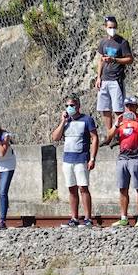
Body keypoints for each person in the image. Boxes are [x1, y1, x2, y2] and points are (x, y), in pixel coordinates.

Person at [51, 94, 99, 227]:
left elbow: (94, 138)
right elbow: (55, 137)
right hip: (67, 159)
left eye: (72, 105)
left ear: (78, 106)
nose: (69, 108)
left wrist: (93, 158)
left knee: (83, 188)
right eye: (67, 106)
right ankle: (74, 218)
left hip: (81, 159)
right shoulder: (66, 122)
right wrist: (62, 122)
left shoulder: (87, 120)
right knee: (71, 189)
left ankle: (88, 218)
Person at [107, 95, 138, 226]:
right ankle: (123, 217)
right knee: (122, 188)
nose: (129, 108)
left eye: (132, 106)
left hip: (136, 157)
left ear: (136, 107)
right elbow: (109, 136)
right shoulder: (121, 119)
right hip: (122, 158)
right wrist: (117, 123)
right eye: (127, 106)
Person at [95, 16, 133, 134]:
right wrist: (98, 77)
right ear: (105, 27)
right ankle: (109, 132)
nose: (112, 29)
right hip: (104, 79)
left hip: (116, 79)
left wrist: (115, 60)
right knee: (105, 108)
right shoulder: (103, 42)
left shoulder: (122, 43)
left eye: (114, 27)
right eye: (110, 27)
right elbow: (100, 60)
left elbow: (130, 59)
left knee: (118, 109)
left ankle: (117, 133)